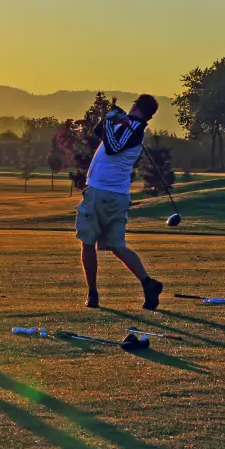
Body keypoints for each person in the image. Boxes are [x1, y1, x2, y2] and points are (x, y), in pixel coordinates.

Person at [76, 94, 163, 310]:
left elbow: (112, 147)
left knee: (88, 243)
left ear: (137, 107)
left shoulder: (134, 128)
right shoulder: (130, 125)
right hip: (116, 195)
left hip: (102, 193)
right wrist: (110, 119)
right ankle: (148, 283)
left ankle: (92, 294)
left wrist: (110, 120)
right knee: (116, 245)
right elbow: (100, 134)